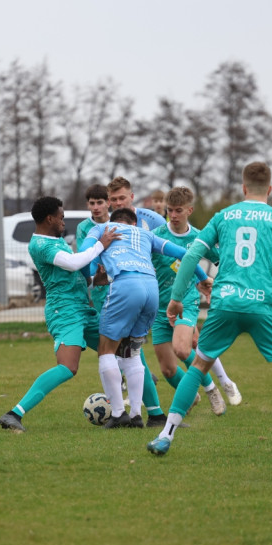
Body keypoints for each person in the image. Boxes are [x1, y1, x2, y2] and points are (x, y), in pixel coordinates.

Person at [146, 162, 272, 458]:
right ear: (269, 189)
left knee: (198, 367)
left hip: (225, 303)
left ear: (243, 188)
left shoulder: (224, 216)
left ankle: (165, 436)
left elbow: (193, 254)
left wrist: (177, 297)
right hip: (262, 305)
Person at [78, 207, 211, 429]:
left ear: (116, 221)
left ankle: (119, 414)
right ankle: (137, 415)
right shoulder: (146, 234)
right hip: (152, 290)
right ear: (135, 223)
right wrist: (203, 277)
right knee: (133, 352)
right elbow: (184, 254)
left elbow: (84, 254)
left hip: (125, 285)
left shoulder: (103, 228)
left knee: (106, 350)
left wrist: (89, 279)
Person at [0, 196, 120, 432]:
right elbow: (74, 264)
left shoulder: (57, 240)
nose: (64, 223)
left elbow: (75, 276)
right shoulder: (40, 245)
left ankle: (146, 412)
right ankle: (14, 413)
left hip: (84, 309)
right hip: (63, 312)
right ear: (50, 218)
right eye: (61, 218)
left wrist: (96, 280)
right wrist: (100, 245)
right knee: (68, 367)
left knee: (121, 349)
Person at [151, 186, 242, 416]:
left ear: (189, 210)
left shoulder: (199, 237)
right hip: (159, 305)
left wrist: (228, 281)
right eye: (170, 210)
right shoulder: (157, 235)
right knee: (168, 370)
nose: (173, 215)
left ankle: (212, 388)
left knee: (182, 350)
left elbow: (224, 260)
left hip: (186, 301)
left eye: (178, 210)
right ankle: (193, 395)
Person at [103, 176, 169, 424]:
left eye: (123, 197)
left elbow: (166, 254)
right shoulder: (100, 226)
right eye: (114, 199)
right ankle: (146, 413)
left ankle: (136, 412)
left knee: (126, 353)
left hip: (146, 289)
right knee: (126, 354)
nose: (118, 202)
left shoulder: (153, 221)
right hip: (112, 291)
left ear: (132, 197)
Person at [74, 184, 112, 312]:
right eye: (92, 203)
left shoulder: (117, 222)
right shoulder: (83, 227)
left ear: (108, 202)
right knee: (99, 322)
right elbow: (84, 256)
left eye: (100, 202)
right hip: (95, 281)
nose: (95, 207)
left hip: (117, 278)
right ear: (88, 205)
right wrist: (91, 281)